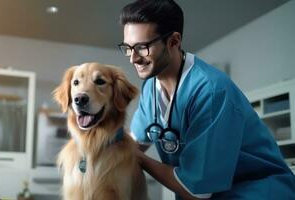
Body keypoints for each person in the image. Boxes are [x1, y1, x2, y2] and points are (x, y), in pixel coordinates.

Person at [117, 0, 295, 199]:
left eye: (142, 47)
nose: (133, 58)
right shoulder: (151, 86)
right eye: (127, 48)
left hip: (257, 191)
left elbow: (197, 191)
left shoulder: (210, 91)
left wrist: (139, 159)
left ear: (174, 41)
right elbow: (135, 142)